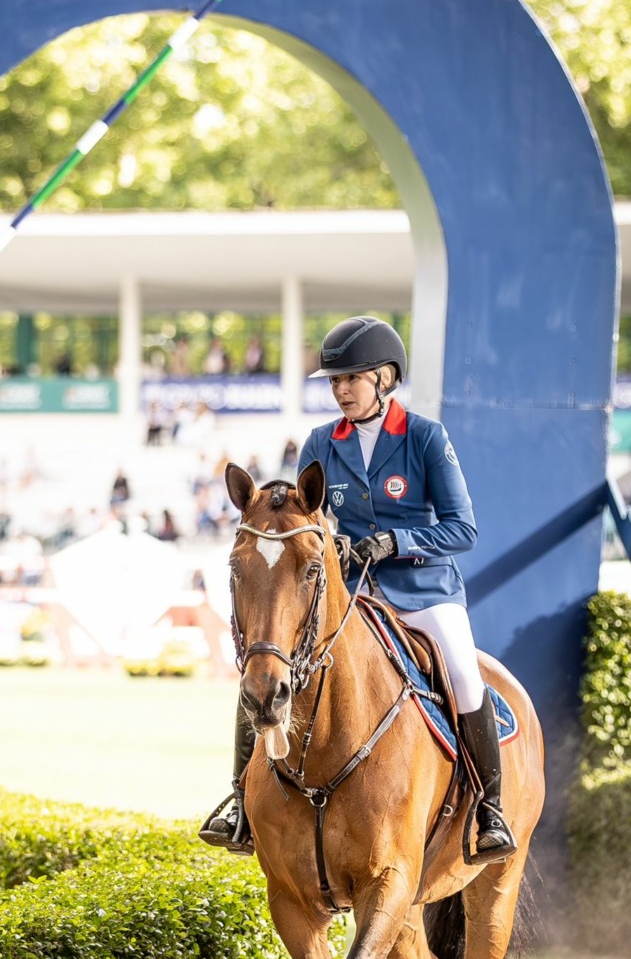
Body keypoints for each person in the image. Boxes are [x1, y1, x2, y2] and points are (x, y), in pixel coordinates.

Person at [200, 315, 517, 863]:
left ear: (385, 378)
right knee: (266, 668)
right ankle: (239, 804)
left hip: (423, 592)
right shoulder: (321, 443)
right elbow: (307, 521)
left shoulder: (424, 437)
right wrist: (331, 547)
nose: (341, 390)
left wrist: (394, 542)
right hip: (349, 596)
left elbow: (463, 528)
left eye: (352, 378)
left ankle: (490, 809)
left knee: (465, 674)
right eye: (334, 381)